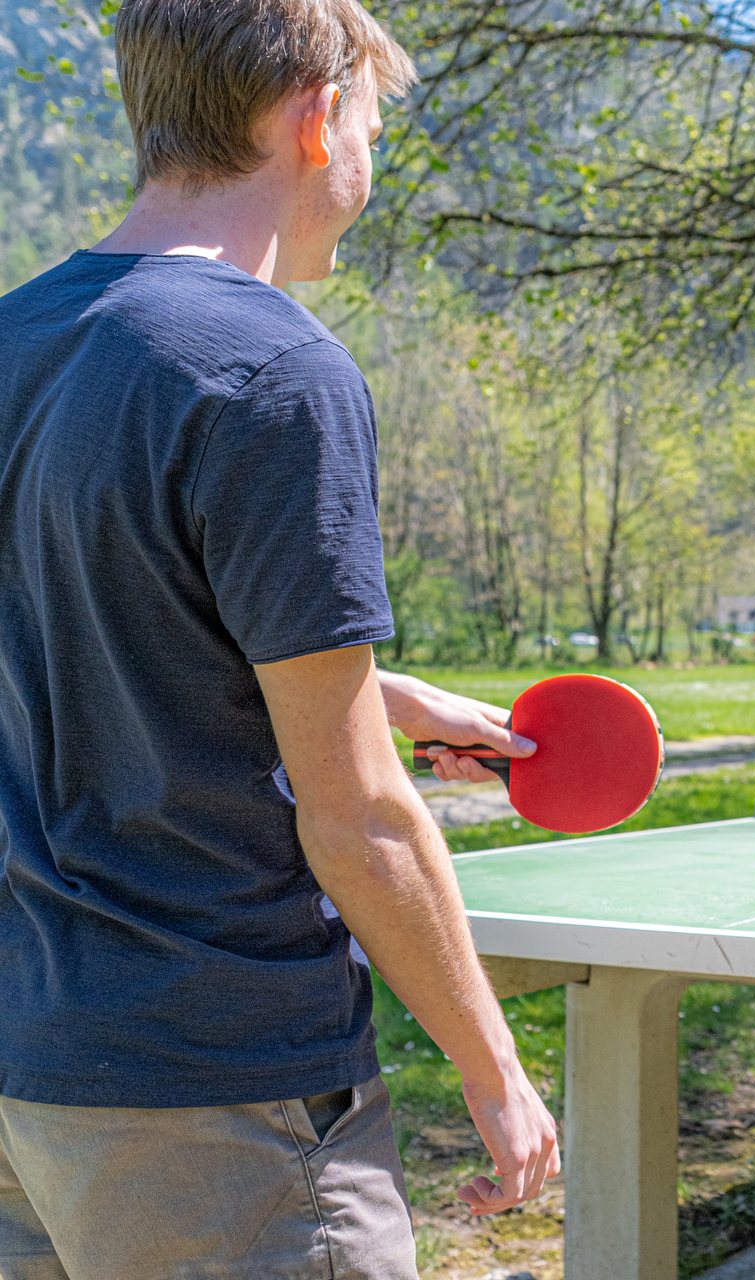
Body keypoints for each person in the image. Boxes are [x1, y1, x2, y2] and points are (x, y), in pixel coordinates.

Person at [0, 2, 557, 1275]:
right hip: (217, 1089)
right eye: (369, 120)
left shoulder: (14, 343)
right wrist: (495, 1066)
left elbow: (73, 626)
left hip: (30, 1068)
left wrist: (379, 691)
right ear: (314, 121)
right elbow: (358, 817)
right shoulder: (272, 372)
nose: (369, 157)